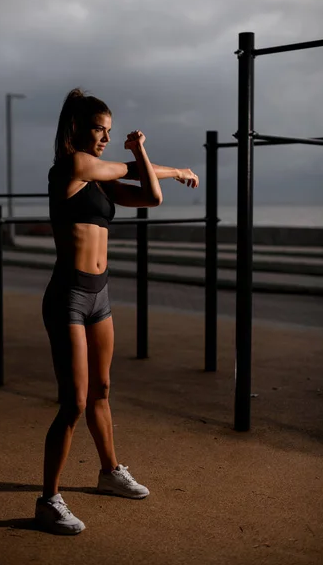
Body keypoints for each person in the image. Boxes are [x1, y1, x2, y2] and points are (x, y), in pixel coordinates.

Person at [35, 88, 199, 535]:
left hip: (99, 296)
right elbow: (128, 170)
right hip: (68, 295)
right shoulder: (71, 166)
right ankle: (48, 500)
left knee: (103, 389)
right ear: (76, 128)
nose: (104, 137)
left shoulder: (102, 179)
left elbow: (151, 196)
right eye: (98, 129)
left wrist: (142, 150)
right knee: (73, 403)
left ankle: (108, 473)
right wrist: (175, 168)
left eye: (109, 131)